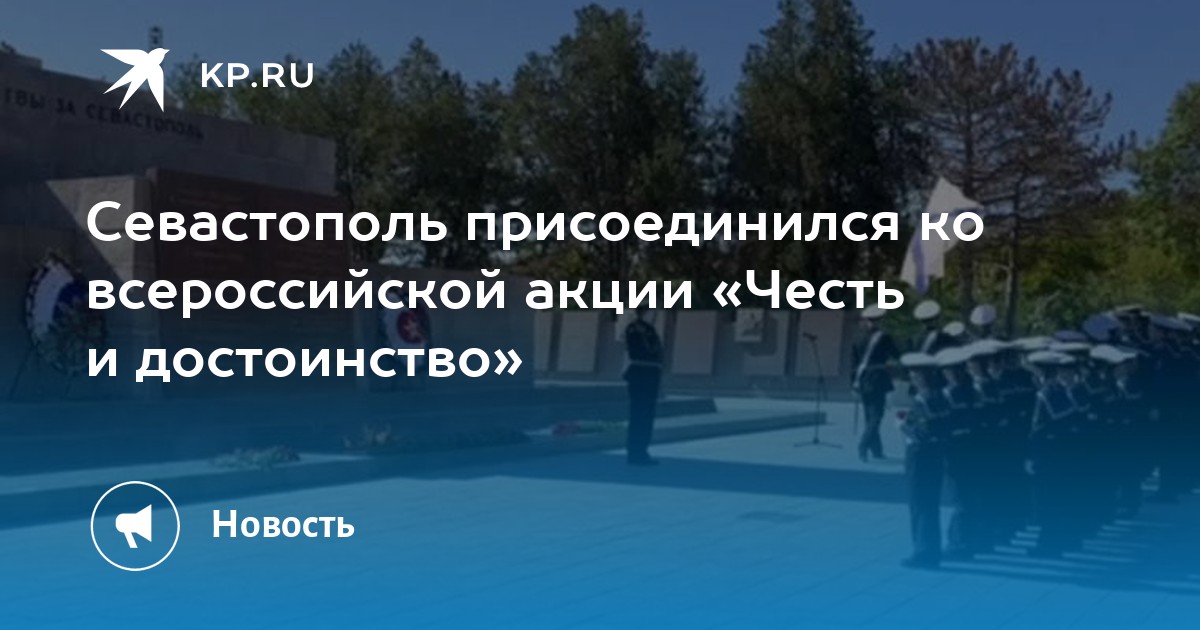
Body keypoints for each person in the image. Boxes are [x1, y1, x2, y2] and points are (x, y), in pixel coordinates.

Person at [898, 352, 951, 569]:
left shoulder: (922, 400)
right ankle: (932, 550)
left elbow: (922, 432)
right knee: (931, 504)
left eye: (914, 374)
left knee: (920, 504)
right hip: (936, 456)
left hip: (920, 457)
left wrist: (903, 426)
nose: (911, 378)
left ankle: (923, 552)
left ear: (921, 377)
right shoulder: (941, 397)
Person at [852, 305, 899, 461]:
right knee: (876, 416)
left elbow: (854, 363)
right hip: (878, 380)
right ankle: (863, 446)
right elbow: (896, 354)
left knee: (869, 416)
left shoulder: (858, 338)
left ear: (867, 321)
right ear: (880, 321)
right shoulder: (884, 338)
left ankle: (876, 450)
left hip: (863, 380)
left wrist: (854, 383)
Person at [623, 306, 663, 466]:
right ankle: (635, 452)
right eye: (653, 312)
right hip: (641, 375)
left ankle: (642, 450)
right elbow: (645, 351)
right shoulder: (635, 329)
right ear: (644, 312)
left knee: (647, 415)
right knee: (639, 414)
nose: (655, 315)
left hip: (651, 375)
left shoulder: (649, 329)